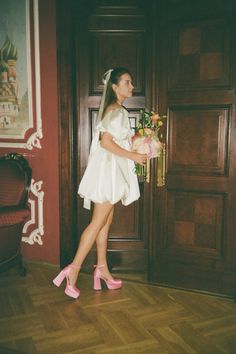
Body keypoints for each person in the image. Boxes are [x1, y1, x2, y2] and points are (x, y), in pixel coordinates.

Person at [53, 67, 147, 298]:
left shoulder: (113, 110)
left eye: (131, 82)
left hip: (108, 171)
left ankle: (102, 269)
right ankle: (72, 271)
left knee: (104, 224)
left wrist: (135, 147)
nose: (131, 87)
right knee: (97, 224)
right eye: (127, 82)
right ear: (115, 87)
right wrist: (134, 156)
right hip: (109, 174)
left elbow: (111, 142)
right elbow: (106, 142)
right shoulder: (118, 111)